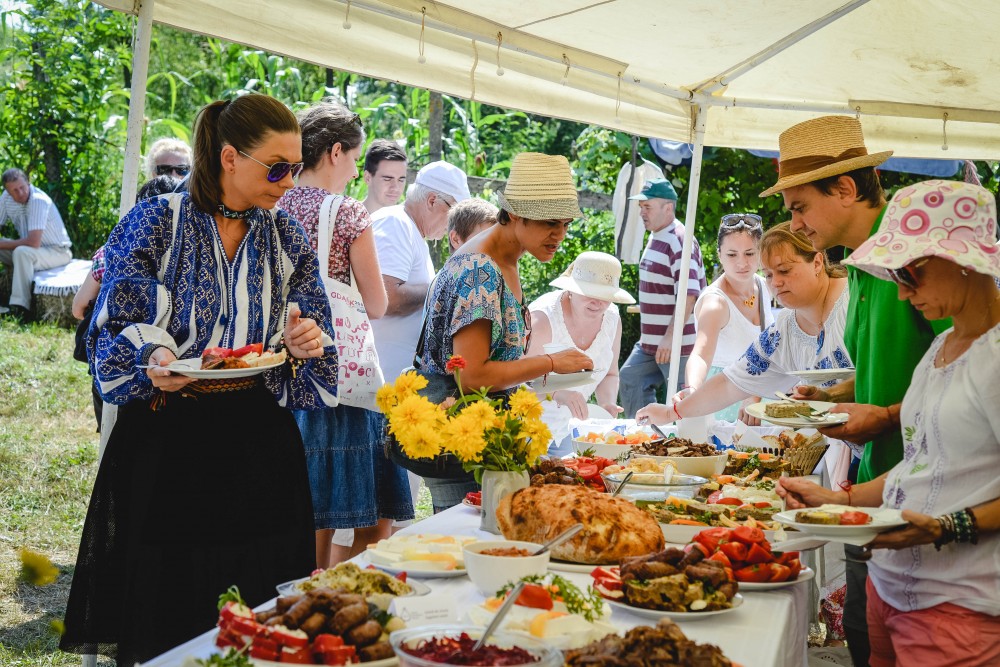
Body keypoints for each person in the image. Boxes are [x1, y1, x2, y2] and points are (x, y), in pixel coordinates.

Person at [60, 94, 339, 666]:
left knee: (260, 607)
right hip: (170, 438)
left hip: (260, 442)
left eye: (296, 165)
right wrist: (154, 359)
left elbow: (311, 325)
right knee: (172, 605)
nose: (290, 181)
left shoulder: (286, 236)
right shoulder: (157, 220)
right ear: (230, 157)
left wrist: (305, 340)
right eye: (277, 167)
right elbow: (114, 320)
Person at [777, 180, 1000, 667]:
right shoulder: (940, 352)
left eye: (910, 273)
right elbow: (924, 464)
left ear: (963, 260)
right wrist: (842, 500)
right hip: (893, 586)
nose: (900, 293)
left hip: (959, 605)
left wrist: (949, 525)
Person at [759, 115, 951, 666]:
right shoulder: (865, 262)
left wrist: (885, 416)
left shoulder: (911, 254)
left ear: (845, 188)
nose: (792, 218)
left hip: (929, 500)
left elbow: (969, 373)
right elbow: (896, 367)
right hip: (880, 486)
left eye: (798, 205)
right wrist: (834, 396)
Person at [412, 152, 593, 512]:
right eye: (549, 223)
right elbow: (472, 375)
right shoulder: (479, 269)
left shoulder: (504, 258)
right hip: (461, 439)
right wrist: (550, 363)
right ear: (515, 216)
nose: (560, 234)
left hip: (486, 435)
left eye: (566, 223)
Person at [277, 99, 413, 568]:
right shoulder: (348, 213)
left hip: (283, 371)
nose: (356, 172)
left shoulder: (273, 203)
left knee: (299, 510)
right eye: (356, 160)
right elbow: (376, 303)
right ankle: (337, 590)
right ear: (335, 152)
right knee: (366, 515)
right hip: (340, 377)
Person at [637, 222, 850, 425]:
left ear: (817, 263)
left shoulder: (854, 301)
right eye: (768, 274)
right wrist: (671, 412)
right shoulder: (785, 328)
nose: (775, 282)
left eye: (784, 270)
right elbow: (731, 382)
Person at [71, 175, 181, 437]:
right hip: (170, 368)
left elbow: (78, 307)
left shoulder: (113, 248)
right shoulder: (185, 251)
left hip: (120, 361)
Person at [370, 160, 471, 385]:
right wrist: (440, 288)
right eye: (454, 213)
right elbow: (388, 298)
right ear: (432, 200)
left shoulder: (411, 231)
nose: (455, 225)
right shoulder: (395, 223)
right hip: (381, 383)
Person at [618, 178, 706, 418]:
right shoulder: (657, 234)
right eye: (640, 207)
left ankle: (677, 446)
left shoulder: (680, 239)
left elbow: (689, 294)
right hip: (651, 343)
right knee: (630, 377)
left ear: (668, 208)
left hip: (678, 344)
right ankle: (644, 437)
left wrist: (670, 338)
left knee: (682, 403)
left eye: (648, 207)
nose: (641, 212)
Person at [683, 213, 773, 421]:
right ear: (720, 255)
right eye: (732, 255)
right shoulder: (715, 303)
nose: (742, 263)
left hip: (762, 395)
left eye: (750, 253)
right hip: (726, 396)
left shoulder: (765, 285)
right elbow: (700, 354)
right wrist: (692, 390)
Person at [525, 250, 632, 423]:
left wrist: (607, 404)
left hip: (574, 425)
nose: (598, 302)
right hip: (528, 422)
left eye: (605, 295)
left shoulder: (612, 317)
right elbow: (518, 377)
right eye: (590, 293)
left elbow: (610, 374)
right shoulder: (543, 318)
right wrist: (558, 393)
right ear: (571, 289)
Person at [0, 168, 73, 321]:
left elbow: (33, 242)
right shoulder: (6, 198)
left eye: (22, 187)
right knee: (20, 251)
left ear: (28, 182)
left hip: (58, 252)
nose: (20, 193)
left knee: (21, 252)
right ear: (7, 191)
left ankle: (20, 308)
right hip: (34, 252)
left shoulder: (38, 200)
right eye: (15, 190)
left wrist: (3, 244)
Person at [362, 139, 408, 215]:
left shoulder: (408, 223)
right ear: (367, 178)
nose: (395, 187)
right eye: (387, 179)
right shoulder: (347, 221)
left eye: (401, 180)